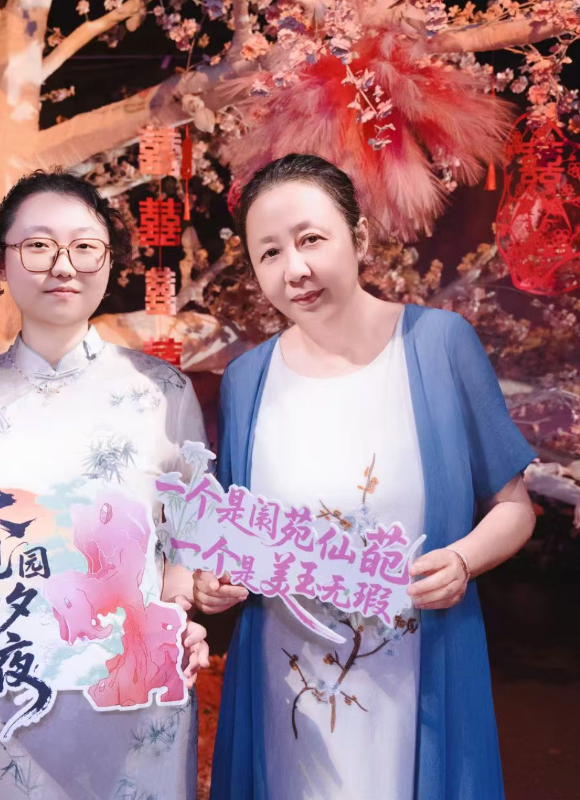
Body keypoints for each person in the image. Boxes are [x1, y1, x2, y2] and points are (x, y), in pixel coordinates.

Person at [198, 154, 537, 800]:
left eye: (311, 239)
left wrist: (463, 560)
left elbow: (514, 506)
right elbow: (236, 537)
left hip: (416, 672)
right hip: (286, 684)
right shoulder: (247, 380)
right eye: (269, 253)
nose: (294, 269)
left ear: (358, 237)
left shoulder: (439, 345)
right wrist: (214, 581)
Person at [0, 170, 210, 799]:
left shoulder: (162, 392)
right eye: (38, 246)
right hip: (2, 690)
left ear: (109, 260)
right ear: (2, 263)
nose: (63, 266)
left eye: (84, 247)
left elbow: (188, 544)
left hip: (132, 693)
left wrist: (184, 611)